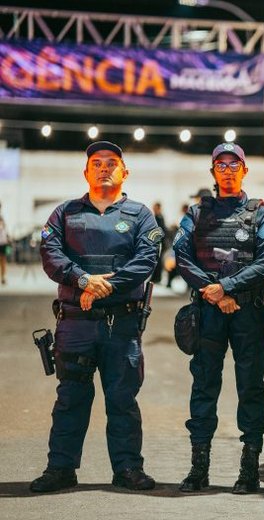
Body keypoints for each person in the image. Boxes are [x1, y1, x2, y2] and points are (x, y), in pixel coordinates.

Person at [31, 141, 162, 492]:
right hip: (75, 324)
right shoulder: (65, 213)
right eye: (97, 162)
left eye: (112, 162)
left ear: (125, 171)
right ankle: (60, 469)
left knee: (123, 400)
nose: (104, 167)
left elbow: (145, 260)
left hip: (122, 324)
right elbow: (50, 254)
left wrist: (104, 287)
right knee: (70, 398)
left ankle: (128, 469)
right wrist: (83, 279)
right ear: (86, 171)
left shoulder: (140, 215)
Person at [173, 142, 264, 494]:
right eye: (222, 164)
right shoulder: (197, 213)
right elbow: (181, 256)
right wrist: (212, 291)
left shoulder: (259, 214)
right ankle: (198, 470)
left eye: (235, 164)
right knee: (204, 386)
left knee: (250, 388)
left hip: (248, 312)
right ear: (213, 171)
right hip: (208, 312)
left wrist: (226, 287)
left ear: (244, 170)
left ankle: (249, 471)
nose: (229, 170)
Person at [151, 202, 166, 283]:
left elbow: (161, 231)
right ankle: (156, 277)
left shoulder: (159, 217)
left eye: (154, 207)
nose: (153, 208)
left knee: (158, 261)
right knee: (157, 260)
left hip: (160, 242)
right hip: (158, 242)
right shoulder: (157, 217)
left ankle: (157, 278)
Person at [0, 202, 8, 284]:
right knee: (3, 260)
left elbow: (4, 229)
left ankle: (3, 277)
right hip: (2, 241)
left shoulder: (1, 217)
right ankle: (3, 277)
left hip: (2, 242)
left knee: (3, 260)